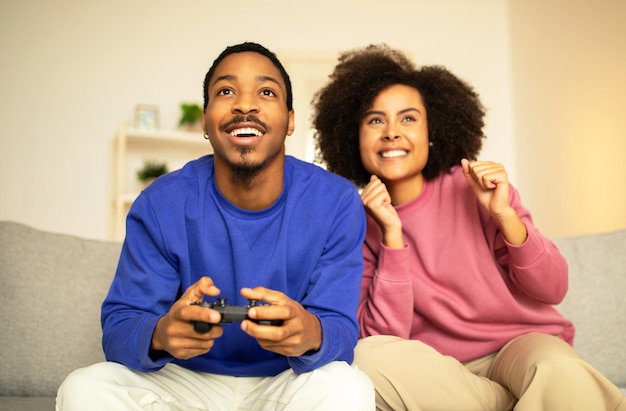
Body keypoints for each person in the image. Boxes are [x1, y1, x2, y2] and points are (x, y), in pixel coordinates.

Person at [56, 42, 374, 411]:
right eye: (226, 91)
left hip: (287, 380)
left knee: (348, 388)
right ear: (206, 121)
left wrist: (309, 333)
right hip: (184, 380)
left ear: (289, 120)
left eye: (266, 92)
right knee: (83, 388)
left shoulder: (336, 201)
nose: (245, 105)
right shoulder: (160, 203)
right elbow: (120, 327)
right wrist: (160, 335)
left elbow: (340, 329)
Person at [311, 43, 626, 411]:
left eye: (408, 118)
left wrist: (505, 215)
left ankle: (530, 392)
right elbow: (384, 338)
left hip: (520, 347)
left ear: (433, 131)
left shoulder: (474, 187)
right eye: (375, 120)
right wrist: (392, 238)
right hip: (439, 369)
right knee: (364, 358)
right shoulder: (353, 223)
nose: (392, 132)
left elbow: (554, 287)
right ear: (355, 137)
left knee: (558, 368)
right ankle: (516, 402)